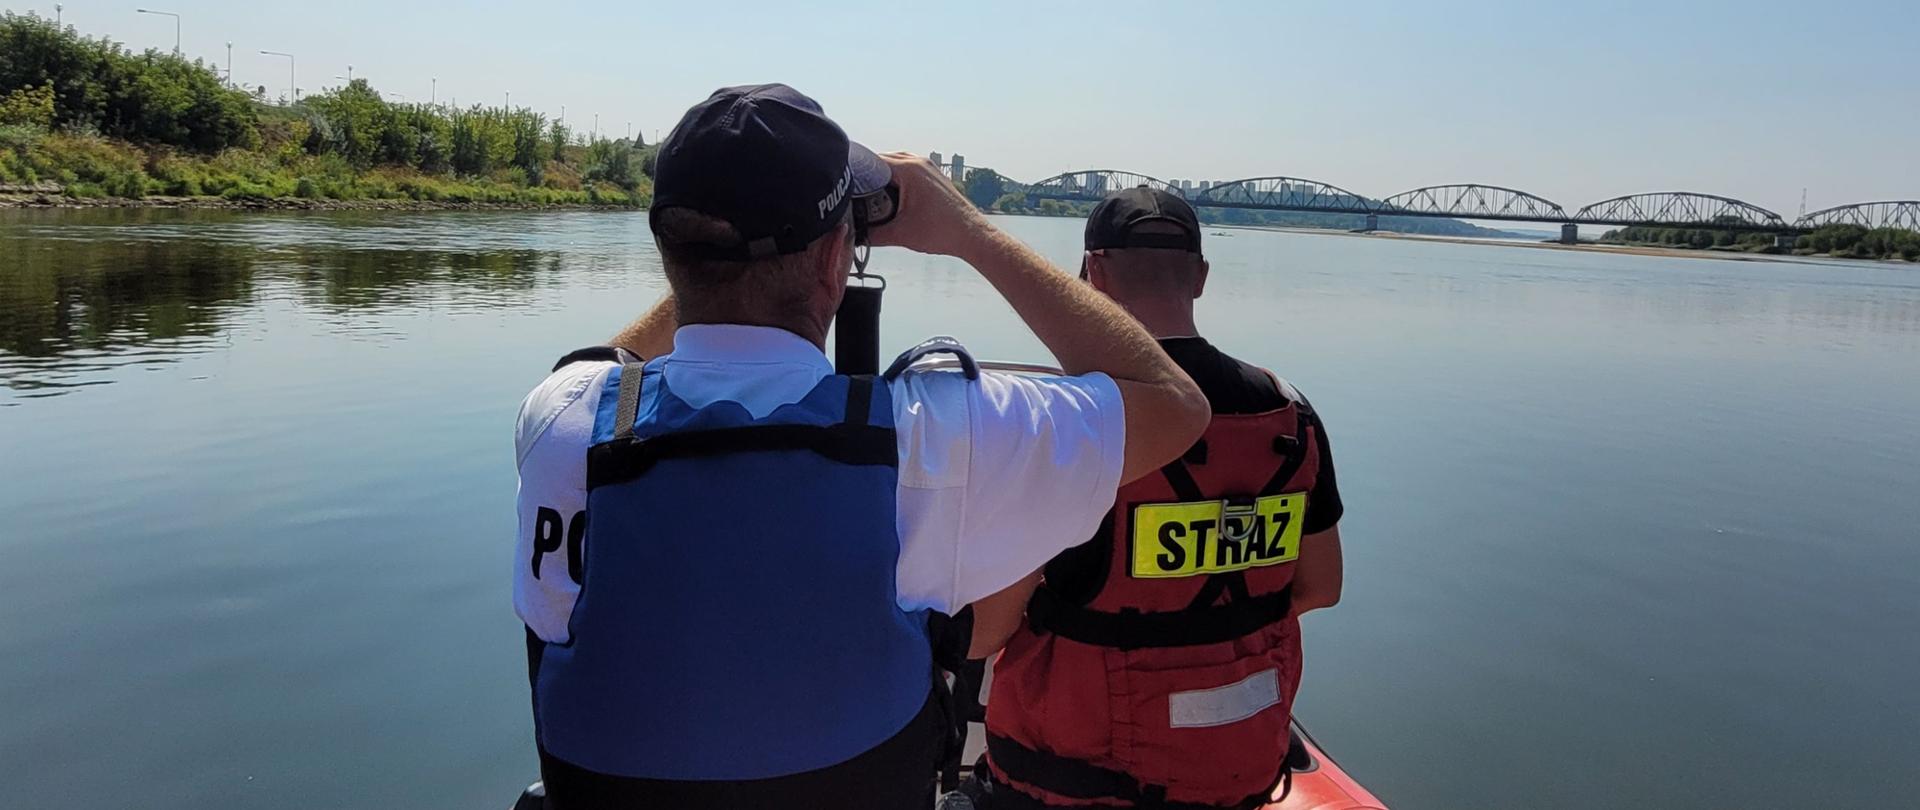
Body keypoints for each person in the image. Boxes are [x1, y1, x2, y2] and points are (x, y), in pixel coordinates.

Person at [511, 84, 1210, 810]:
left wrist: (710, 262)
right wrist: (969, 231)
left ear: (666, 249)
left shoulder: (561, 422)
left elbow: (594, 369)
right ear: (837, 260)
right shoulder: (936, 437)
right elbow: (1176, 405)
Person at [978, 188, 1347, 810]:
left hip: (1076, 782)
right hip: (1237, 767)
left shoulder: (1071, 422)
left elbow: (985, 633)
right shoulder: (1290, 415)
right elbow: (1320, 587)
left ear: (1092, 274)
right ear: (1200, 278)